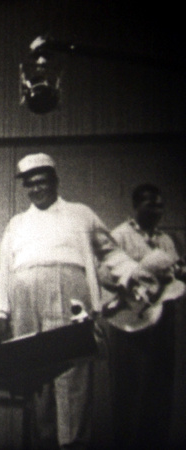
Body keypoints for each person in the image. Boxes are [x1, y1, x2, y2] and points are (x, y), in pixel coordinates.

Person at [0, 153, 155, 449]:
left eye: (42, 181)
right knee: (34, 372)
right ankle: (42, 441)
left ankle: (73, 443)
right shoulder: (17, 223)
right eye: (30, 184)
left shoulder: (81, 213)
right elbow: (3, 267)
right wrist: (3, 311)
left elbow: (111, 251)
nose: (36, 189)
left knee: (71, 369)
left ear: (55, 181)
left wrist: (135, 273)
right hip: (24, 295)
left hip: (69, 289)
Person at [105, 183, 184, 449]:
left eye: (161, 206)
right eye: (151, 205)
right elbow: (105, 275)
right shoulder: (120, 236)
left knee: (159, 390)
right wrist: (134, 284)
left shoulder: (167, 240)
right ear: (136, 206)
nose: (157, 211)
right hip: (130, 320)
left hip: (163, 323)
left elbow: (174, 276)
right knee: (128, 390)